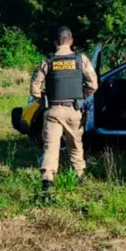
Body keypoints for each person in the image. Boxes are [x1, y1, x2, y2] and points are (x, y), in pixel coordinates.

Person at [30, 26, 99, 191]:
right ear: (71, 41)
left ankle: (47, 181)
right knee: (75, 145)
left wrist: (43, 99)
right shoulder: (80, 59)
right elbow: (93, 84)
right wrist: (82, 96)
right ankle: (79, 176)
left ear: (56, 43)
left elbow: (34, 87)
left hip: (53, 110)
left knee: (51, 146)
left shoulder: (48, 60)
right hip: (74, 110)